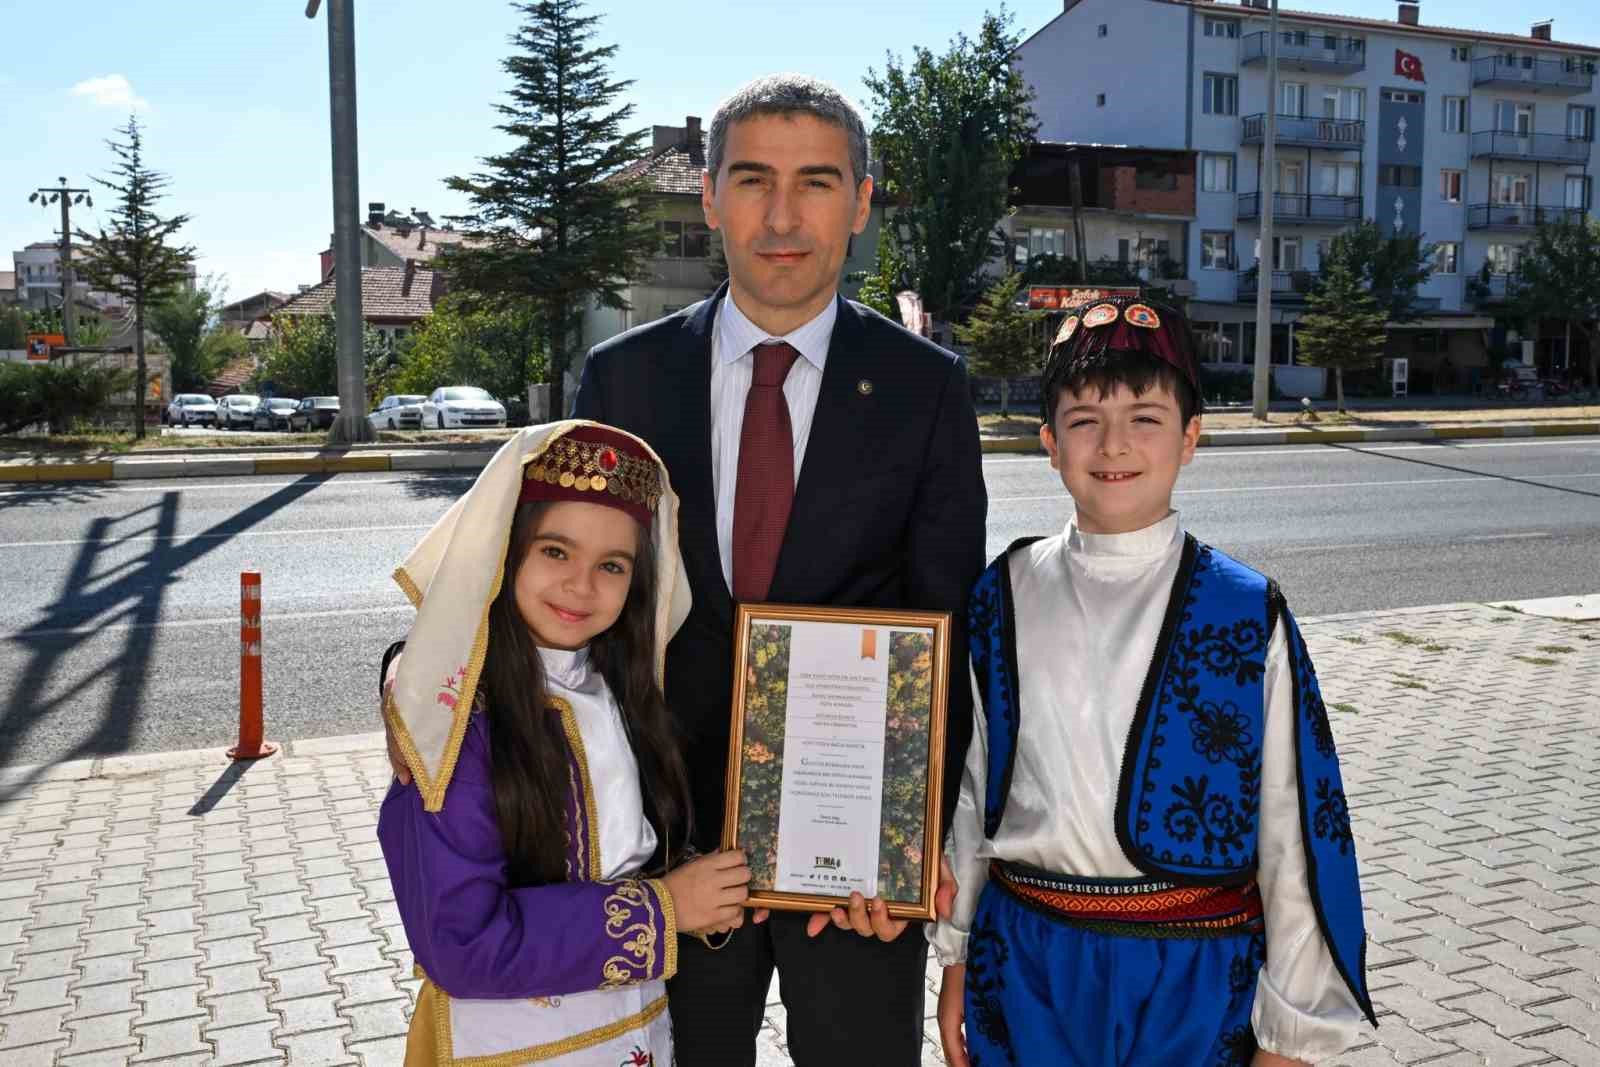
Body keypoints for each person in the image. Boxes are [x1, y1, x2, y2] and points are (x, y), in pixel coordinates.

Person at [570, 74, 986, 1064]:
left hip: (854, 872)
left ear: (861, 203)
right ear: (710, 197)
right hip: (662, 848)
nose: (784, 215)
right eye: (754, 179)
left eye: (817, 182)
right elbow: (565, 603)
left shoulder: (927, 390)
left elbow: (945, 623)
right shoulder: (622, 381)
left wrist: (911, 841)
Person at [930, 296, 1376, 1067]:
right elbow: (975, 790)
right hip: (1026, 967)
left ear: (1190, 436)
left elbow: (1294, 831)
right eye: (1083, 419)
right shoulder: (1003, 593)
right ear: (1048, 441)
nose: (1114, 444)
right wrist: (958, 953)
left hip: (1193, 977)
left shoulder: (1246, 612)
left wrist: (1291, 1037)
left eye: (1145, 417)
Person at [377, 421, 759, 1066]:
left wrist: (706, 891)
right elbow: (460, 943)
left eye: (612, 565)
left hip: (636, 1032)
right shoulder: (457, 726)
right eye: (555, 551)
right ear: (504, 552)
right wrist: (666, 910)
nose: (582, 585)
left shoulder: (627, 694)